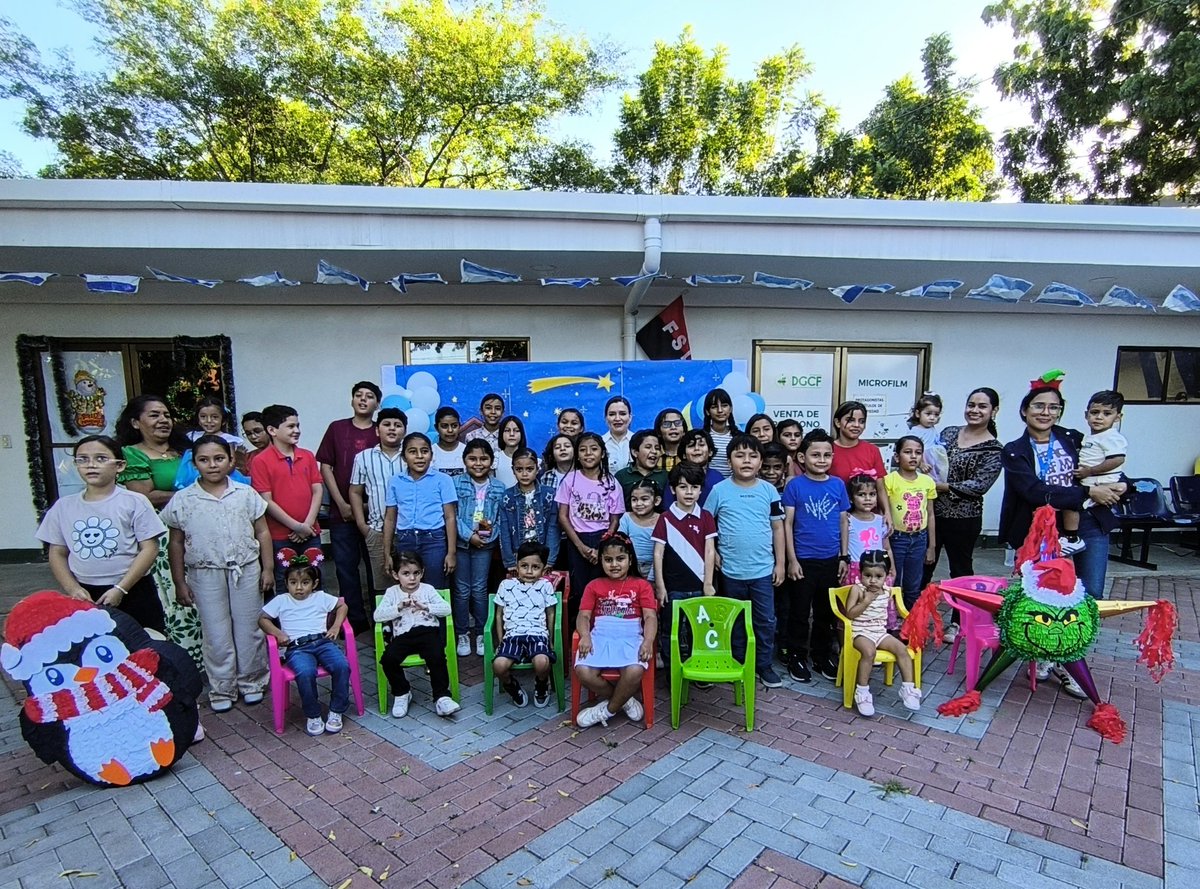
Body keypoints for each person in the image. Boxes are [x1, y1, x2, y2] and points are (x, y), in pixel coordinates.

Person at [162, 435, 272, 712]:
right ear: (194, 464)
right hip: (205, 573)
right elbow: (175, 542)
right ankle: (222, 687)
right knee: (215, 632)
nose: (212, 465)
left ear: (231, 460)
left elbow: (262, 532)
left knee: (249, 628)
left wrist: (268, 568)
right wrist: (179, 581)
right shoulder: (183, 499)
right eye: (204, 460)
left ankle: (252, 682)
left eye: (219, 458)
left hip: (245, 569)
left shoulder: (245, 494)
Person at [998, 376, 1126, 602]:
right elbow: (1033, 491)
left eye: (1053, 407)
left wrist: (1126, 484)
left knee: (1092, 592)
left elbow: (1104, 464)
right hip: (1043, 527)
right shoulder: (1013, 450)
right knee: (1046, 593)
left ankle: (1084, 626)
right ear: (1025, 410)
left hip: (1089, 522)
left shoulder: (1074, 439)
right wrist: (1088, 492)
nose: (1046, 412)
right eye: (1039, 406)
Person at [36, 434, 168, 634]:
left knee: (144, 641)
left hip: (133, 588)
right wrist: (73, 589)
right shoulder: (63, 506)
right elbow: (57, 552)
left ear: (120, 466)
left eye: (101, 458)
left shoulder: (134, 502)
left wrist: (121, 589)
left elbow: (149, 548)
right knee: (96, 644)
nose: (91, 465)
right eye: (83, 459)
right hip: (86, 591)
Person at [116, 394, 200, 659]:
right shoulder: (132, 454)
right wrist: (193, 493)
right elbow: (143, 495)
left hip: (197, 530)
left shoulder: (185, 452)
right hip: (161, 535)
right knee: (175, 593)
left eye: (166, 415)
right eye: (154, 415)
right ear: (135, 422)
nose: (163, 420)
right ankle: (181, 657)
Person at [706, 434, 786, 688]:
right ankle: (738, 661)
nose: (747, 461)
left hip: (762, 571)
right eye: (740, 456)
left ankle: (763, 665)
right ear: (729, 461)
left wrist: (781, 563)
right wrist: (714, 553)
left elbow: (778, 529)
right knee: (735, 620)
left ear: (761, 462)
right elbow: (707, 526)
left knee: (765, 620)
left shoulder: (768, 491)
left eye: (753, 456)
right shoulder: (719, 491)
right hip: (731, 571)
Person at [923, 388, 1002, 643]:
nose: (974, 410)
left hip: (964, 518)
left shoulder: (994, 449)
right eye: (971, 404)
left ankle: (958, 622)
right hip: (931, 513)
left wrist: (943, 487)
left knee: (960, 571)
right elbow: (930, 457)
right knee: (924, 566)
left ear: (993, 411)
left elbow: (979, 485)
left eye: (982, 406)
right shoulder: (948, 433)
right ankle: (916, 617)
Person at [782, 429, 850, 684]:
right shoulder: (795, 486)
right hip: (803, 561)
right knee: (799, 613)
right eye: (815, 455)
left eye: (827, 455)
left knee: (825, 613)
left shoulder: (838, 485)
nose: (821, 460)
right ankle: (797, 656)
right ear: (802, 457)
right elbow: (787, 524)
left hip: (830, 560)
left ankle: (821, 656)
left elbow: (843, 522)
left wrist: (843, 556)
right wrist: (792, 560)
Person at [259, 551, 350, 736]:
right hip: (297, 648)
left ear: (314, 584)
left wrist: (335, 626)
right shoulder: (281, 600)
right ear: (286, 584)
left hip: (323, 642)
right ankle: (313, 714)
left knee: (342, 665)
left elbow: (342, 605)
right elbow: (262, 619)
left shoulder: (320, 597)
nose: (299, 588)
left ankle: (336, 710)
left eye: (305, 582)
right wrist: (278, 633)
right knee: (305, 672)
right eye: (293, 583)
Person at [316, 381, 382, 633]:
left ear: (377, 404)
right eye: (358, 395)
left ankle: (381, 620)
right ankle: (354, 621)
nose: (363, 399)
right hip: (341, 512)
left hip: (375, 513)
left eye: (369, 396)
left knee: (377, 568)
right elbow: (326, 467)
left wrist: (364, 507)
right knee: (345, 568)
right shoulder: (337, 428)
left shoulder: (381, 431)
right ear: (352, 400)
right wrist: (342, 503)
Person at [574, 532, 658, 728]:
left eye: (620, 559)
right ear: (601, 561)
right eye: (608, 560)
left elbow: (650, 617)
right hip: (600, 635)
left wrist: (648, 641)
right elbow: (583, 615)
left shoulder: (642, 585)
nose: (614, 564)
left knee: (635, 670)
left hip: (630, 635)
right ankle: (624, 700)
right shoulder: (593, 586)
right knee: (583, 670)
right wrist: (585, 636)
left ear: (630, 560)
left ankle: (607, 711)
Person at [374, 550, 460, 718]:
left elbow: (446, 609)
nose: (412, 578)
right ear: (396, 575)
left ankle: (442, 696)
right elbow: (378, 616)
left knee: (436, 656)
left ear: (422, 572)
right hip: (403, 636)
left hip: (427, 632)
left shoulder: (428, 589)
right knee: (388, 659)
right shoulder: (392, 592)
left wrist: (427, 607)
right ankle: (402, 692)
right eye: (406, 574)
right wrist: (398, 607)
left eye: (416, 573)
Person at [250, 404, 323, 593]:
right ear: (272, 430)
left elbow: (317, 490)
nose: (296, 430)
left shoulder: (307, 456)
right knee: (286, 586)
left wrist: (306, 525)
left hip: (310, 533)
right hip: (280, 537)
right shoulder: (260, 461)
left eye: (297, 425)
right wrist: (296, 526)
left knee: (315, 582)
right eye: (290, 426)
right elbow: (266, 501)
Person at [652, 462, 717, 671]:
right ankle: (672, 670)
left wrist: (708, 584)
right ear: (673, 489)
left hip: (699, 587)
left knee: (697, 630)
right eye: (683, 487)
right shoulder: (665, 518)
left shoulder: (706, 517)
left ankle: (697, 669)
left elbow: (710, 551)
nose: (689, 492)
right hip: (673, 589)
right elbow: (658, 553)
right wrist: (660, 586)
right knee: (670, 630)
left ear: (701, 490)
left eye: (694, 487)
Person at [556, 432, 624, 630]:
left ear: (602, 453)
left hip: (603, 539)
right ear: (577, 455)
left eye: (594, 449)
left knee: (603, 587)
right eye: (583, 450)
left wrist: (602, 546)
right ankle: (580, 632)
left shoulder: (612, 483)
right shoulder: (570, 480)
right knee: (579, 589)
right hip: (576, 540)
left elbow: (615, 519)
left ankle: (603, 628)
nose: (588, 454)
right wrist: (580, 546)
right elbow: (563, 516)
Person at [844, 550, 921, 716]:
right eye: (867, 575)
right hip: (860, 632)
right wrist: (865, 601)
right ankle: (862, 692)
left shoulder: (887, 590)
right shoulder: (857, 590)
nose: (872, 581)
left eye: (878, 576)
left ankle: (908, 688)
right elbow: (849, 614)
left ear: (886, 575)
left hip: (879, 631)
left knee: (902, 650)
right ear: (860, 573)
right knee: (869, 652)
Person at [382, 432, 458, 590]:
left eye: (424, 451)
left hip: (434, 540)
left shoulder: (443, 480)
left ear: (431, 455)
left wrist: (451, 553)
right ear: (404, 457)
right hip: (405, 539)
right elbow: (390, 518)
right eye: (412, 452)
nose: (419, 456)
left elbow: (450, 517)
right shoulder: (395, 482)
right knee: (408, 587)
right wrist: (387, 553)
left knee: (435, 588)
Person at [453, 439, 506, 656]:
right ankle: (462, 633)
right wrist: (469, 536)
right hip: (460, 543)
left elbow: (499, 518)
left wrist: (485, 537)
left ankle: (482, 633)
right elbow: (452, 515)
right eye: (472, 459)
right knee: (461, 590)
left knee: (479, 588)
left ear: (491, 461)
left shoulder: (498, 487)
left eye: (483, 459)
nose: (478, 463)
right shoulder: (455, 483)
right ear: (464, 460)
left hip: (484, 544)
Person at [349, 407, 408, 596]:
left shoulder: (411, 456)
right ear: (377, 430)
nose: (392, 428)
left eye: (397, 425)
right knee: (383, 586)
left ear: (404, 431)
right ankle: (384, 617)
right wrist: (362, 525)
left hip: (407, 531)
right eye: (386, 424)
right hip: (377, 529)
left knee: (410, 582)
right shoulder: (363, 458)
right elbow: (355, 492)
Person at [492, 542, 558, 709]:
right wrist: (500, 640)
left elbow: (551, 614)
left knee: (542, 662)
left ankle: (542, 684)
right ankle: (512, 686)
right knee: (499, 666)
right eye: (524, 566)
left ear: (544, 569)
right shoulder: (506, 585)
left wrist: (550, 640)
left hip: (538, 634)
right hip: (512, 636)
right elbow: (498, 615)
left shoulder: (545, 585)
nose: (529, 571)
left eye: (535, 567)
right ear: (517, 564)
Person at [1062, 390, 1128, 555]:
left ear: (1118, 417)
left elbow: (1117, 459)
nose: (1099, 417)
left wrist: (1090, 471)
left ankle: (1071, 539)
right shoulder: (1087, 437)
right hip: (1091, 482)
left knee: (1071, 505)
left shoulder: (1112, 437)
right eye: (1094, 412)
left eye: (1107, 413)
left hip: (1099, 481)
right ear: (1086, 415)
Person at [883, 435, 937, 610]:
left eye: (918, 453)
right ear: (897, 457)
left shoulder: (927, 481)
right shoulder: (889, 480)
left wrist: (931, 547)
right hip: (896, 538)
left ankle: (911, 619)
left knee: (913, 583)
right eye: (907, 452)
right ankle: (892, 617)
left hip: (919, 539)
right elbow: (884, 511)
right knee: (893, 580)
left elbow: (930, 514)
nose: (913, 456)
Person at [829, 401, 892, 532]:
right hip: (836, 518)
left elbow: (880, 487)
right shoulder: (828, 450)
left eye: (861, 421)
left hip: (867, 520)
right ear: (837, 422)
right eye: (850, 420)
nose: (857, 425)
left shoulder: (872, 450)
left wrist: (887, 512)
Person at [498, 448, 561, 574]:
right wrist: (510, 561)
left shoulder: (548, 494)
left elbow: (553, 528)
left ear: (537, 469)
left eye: (529, 469)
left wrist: (549, 560)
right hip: (518, 555)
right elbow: (504, 531)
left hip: (542, 554)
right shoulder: (507, 497)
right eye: (519, 469)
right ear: (513, 470)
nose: (524, 474)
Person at [841, 475, 893, 585]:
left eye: (872, 494)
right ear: (850, 498)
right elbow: (841, 547)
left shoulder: (881, 521)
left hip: (878, 570)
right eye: (861, 494)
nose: (868, 498)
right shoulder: (847, 521)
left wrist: (892, 568)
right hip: (855, 571)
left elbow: (887, 548)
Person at [661, 429, 723, 509]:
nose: (696, 448)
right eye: (691, 446)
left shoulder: (718, 478)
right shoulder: (676, 476)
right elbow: (668, 508)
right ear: (684, 454)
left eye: (701, 445)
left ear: (710, 452)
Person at [618, 477, 661, 581]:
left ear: (656, 501)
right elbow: (620, 542)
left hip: (655, 568)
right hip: (629, 568)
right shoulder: (627, 518)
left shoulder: (661, 520)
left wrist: (652, 578)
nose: (638, 504)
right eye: (634, 499)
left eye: (644, 499)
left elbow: (661, 552)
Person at [615, 429, 667, 509]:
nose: (654, 451)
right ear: (635, 452)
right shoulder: (621, 476)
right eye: (648, 447)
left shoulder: (665, 476)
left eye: (657, 448)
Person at [906, 392, 945, 479]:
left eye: (936, 415)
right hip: (922, 463)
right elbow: (911, 451)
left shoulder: (932, 428)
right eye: (928, 414)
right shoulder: (915, 432)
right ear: (918, 413)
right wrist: (920, 464)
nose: (932, 418)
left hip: (934, 464)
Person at [702, 388, 738, 478]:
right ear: (707, 411)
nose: (720, 410)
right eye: (714, 407)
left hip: (733, 484)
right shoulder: (702, 437)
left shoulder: (739, 437)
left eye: (724, 406)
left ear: (730, 409)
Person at [493, 415, 527, 489]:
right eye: (507, 430)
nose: (511, 434)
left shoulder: (530, 458)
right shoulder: (495, 458)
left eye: (516, 431)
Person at [601, 396, 633, 475]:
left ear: (630, 417)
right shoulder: (600, 443)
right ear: (606, 418)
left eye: (622, 414)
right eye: (612, 414)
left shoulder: (639, 442)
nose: (617, 418)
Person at [431, 407, 466, 477]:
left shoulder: (466, 451)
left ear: (459, 426)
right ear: (436, 428)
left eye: (454, 426)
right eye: (444, 426)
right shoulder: (431, 452)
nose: (450, 430)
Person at [654, 408, 687, 473]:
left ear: (684, 431)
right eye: (667, 424)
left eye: (677, 423)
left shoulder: (690, 454)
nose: (673, 427)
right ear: (659, 432)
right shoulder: (654, 456)